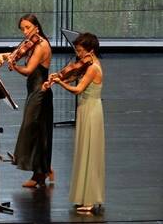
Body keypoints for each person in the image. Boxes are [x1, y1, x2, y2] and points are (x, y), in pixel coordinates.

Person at [44, 33, 104, 214]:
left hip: (91, 111)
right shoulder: (87, 65)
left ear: (90, 51)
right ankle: (85, 196)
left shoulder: (93, 67)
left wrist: (59, 82)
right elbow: (74, 76)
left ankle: (92, 200)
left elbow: (78, 89)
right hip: (86, 110)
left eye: (80, 51)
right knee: (84, 153)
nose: (77, 55)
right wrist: (58, 77)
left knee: (90, 154)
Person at [0, 13, 53, 188]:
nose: (25, 32)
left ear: (36, 26)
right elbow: (17, 53)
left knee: (33, 130)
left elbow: (28, 70)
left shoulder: (42, 45)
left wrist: (14, 66)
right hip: (34, 91)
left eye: (28, 28)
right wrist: (4, 56)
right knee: (37, 131)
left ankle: (40, 173)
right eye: (23, 29)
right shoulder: (31, 43)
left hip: (40, 92)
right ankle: (43, 172)